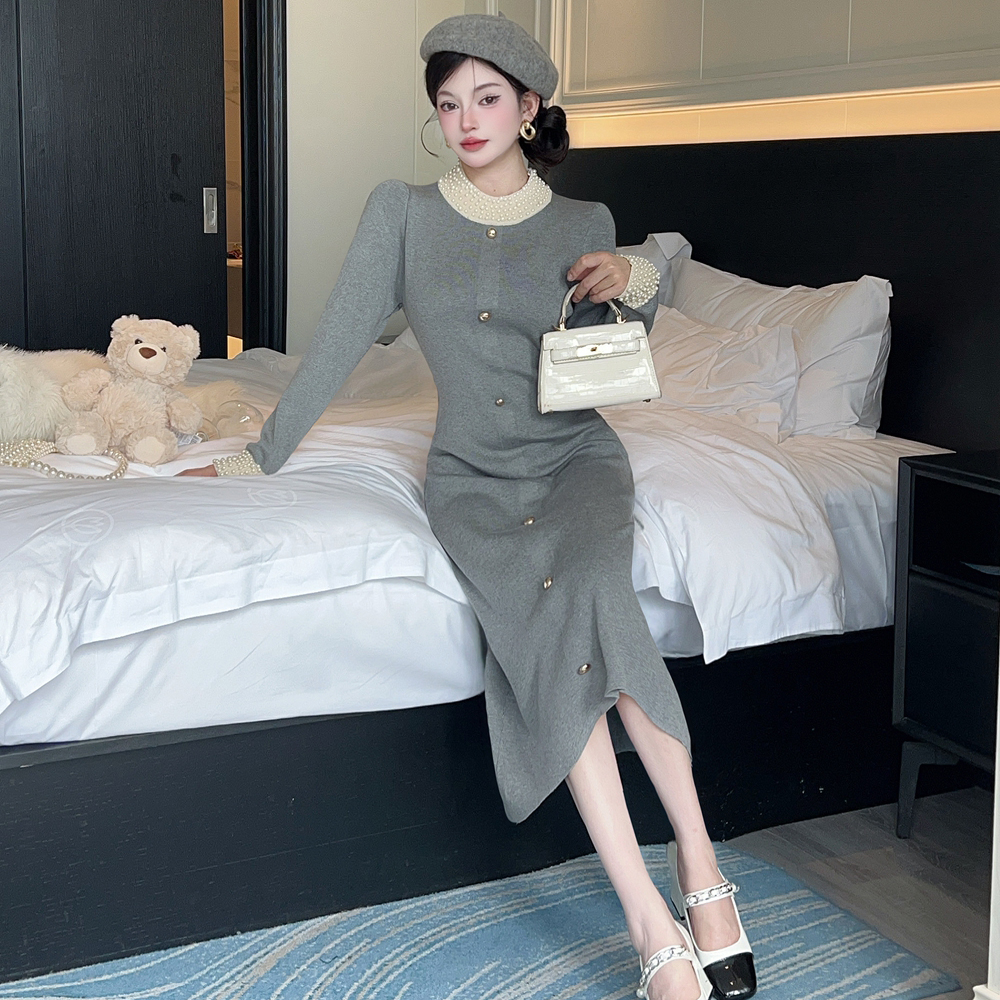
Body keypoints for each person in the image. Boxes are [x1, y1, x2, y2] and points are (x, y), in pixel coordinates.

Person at [181, 14, 756, 1000]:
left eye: (487, 98)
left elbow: (626, 324)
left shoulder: (583, 221)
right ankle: (651, 917)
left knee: (593, 589)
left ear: (529, 108)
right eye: (448, 104)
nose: (466, 120)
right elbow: (338, 338)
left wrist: (639, 272)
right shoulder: (401, 212)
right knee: (552, 627)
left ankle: (700, 869)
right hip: (471, 483)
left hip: (576, 461)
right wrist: (257, 456)